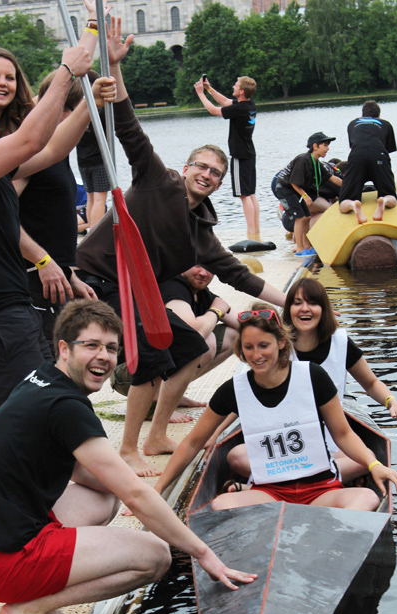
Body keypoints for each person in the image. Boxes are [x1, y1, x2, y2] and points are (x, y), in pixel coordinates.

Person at [0, 299, 257, 614]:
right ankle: (29, 608)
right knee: (155, 556)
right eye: (92, 345)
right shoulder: (66, 407)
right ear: (64, 348)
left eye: (112, 348)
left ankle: (46, 603)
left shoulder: (41, 379)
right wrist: (203, 552)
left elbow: (95, 476)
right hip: (4, 564)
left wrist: (138, 493)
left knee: (104, 496)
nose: (103, 356)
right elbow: (134, 494)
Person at [77, 20, 286, 477]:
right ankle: (131, 447)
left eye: (215, 171)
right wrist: (113, 65)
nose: (208, 174)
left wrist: (292, 303)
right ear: (187, 167)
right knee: (154, 354)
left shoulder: (202, 232)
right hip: (97, 277)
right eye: (202, 166)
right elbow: (129, 127)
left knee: (187, 345)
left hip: (133, 290)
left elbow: (239, 276)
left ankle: (154, 435)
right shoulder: (159, 179)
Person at [0, 38, 106, 413]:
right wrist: (66, 72)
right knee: (43, 414)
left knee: (47, 411)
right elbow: (30, 140)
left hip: (13, 312)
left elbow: (51, 149)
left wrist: (92, 100)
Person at [154, 304, 397, 512]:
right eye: (248, 347)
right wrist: (157, 491)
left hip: (320, 490)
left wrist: (374, 465)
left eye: (263, 345)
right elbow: (191, 443)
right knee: (221, 505)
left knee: (366, 499)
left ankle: (310, 524)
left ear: (281, 343)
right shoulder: (233, 389)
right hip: (270, 494)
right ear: (240, 350)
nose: (256, 355)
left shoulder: (314, 376)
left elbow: (343, 434)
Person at [283, 277, 397, 481]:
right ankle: (323, 476)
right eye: (297, 303)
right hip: (289, 436)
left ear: (324, 309)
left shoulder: (339, 342)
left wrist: (391, 401)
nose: (304, 309)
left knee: (372, 457)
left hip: (333, 434)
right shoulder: (278, 344)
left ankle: (308, 477)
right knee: (236, 458)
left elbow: (370, 382)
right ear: (288, 309)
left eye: (312, 303)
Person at [15, 71, 98, 352]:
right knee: (49, 367)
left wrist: (69, 274)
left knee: (64, 366)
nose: (85, 124)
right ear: (62, 109)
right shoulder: (31, 153)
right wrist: (42, 263)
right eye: (82, 113)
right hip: (34, 279)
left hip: (55, 276)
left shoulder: (57, 151)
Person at [111, 265, 239, 425]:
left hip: (153, 366)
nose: (203, 273)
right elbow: (195, 333)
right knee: (205, 342)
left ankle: (172, 394)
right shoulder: (172, 288)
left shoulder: (200, 292)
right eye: (197, 265)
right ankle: (157, 403)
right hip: (130, 373)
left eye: (209, 268)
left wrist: (270, 325)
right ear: (183, 263)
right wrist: (215, 312)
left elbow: (242, 323)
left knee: (235, 335)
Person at [194, 75, 259, 240]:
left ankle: (251, 233)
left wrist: (200, 93)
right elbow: (224, 101)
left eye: (236, 85)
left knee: (244, 195)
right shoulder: (248, 105)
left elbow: (214, 110)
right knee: (250, 194)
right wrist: (209, 89)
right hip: (249, 153)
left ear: (242, 91)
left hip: (240, 155)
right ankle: (256, 231)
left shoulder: (239, 109)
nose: (233, 86)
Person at [272, 132, 342, 256]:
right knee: (300, 217)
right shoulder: (303, 159)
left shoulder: (317, 163)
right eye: (325, 145)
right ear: (315, 146)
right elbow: (294, 183)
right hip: (284, 188)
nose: (328, 148)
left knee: (307, 217)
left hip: (295, 190)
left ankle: (307, 246)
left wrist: (349, 185)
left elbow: (332, 179)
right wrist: (305, 196)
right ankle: (299, 248)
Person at [339, 100, 397, 224]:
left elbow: (353, 144)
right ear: (379, 116)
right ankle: (384, 201)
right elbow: (388, 149)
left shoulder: (352, 124)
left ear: (362, 114)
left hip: (357, 156)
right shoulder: (385, 124)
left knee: (343, 202)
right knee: (391, 196)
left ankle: (353, 205)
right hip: (379, 154)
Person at [76, 69, 111, 230]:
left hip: (82, 160)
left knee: (90, 198)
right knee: (99, 199)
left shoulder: (78, 110)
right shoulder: (102, 109)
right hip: (99, 158)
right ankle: (95, 233)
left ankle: (91, 232)